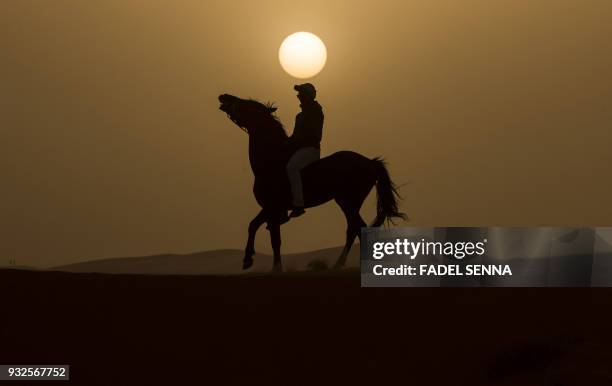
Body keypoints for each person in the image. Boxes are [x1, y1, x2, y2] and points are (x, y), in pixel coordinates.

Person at [286, 83, 324, 218]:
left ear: (307, 96)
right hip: (300, 149)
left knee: (292, 168)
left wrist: (294, 142)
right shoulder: (300, 116)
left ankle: (299, 204)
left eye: (300, 94)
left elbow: (311, 134)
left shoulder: (315, 111)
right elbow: (295, 136)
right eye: (298, 95)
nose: (298, 97)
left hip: (310, 150)